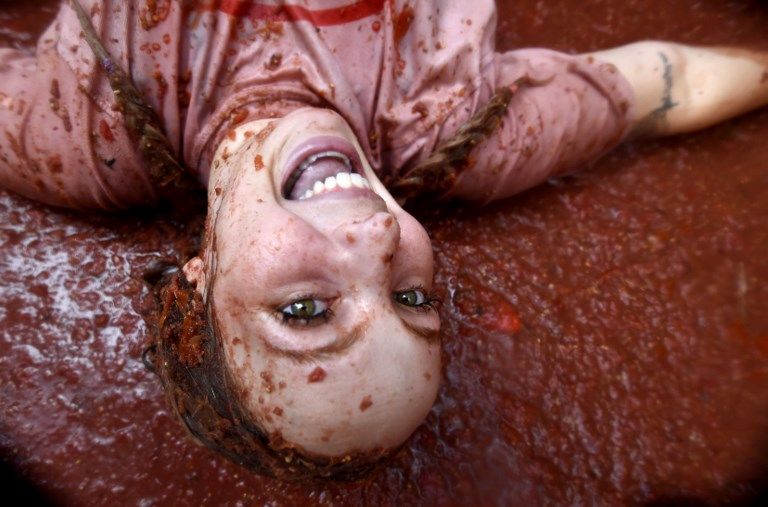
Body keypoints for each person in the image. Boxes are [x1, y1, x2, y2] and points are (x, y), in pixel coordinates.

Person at [0, 0, 766, 479]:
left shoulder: (70, 128)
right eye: (410, 295)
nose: (375, 236)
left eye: (304, 312)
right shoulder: (470, 130)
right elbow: (670, 86)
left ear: (199, 283)